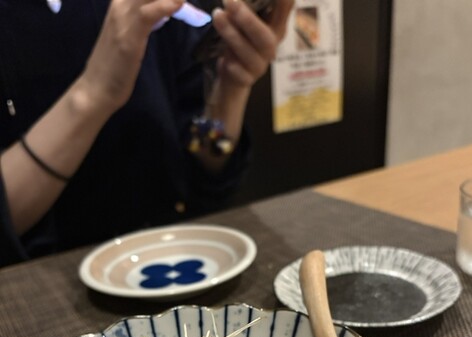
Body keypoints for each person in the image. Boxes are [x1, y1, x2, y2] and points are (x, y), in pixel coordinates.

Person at [0, 0, 292, 267]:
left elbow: (202, 162)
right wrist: (93, 94)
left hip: (174, 259)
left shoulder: (163, 18)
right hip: (36, 282)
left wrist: (229, 90)